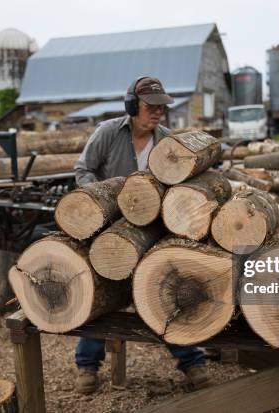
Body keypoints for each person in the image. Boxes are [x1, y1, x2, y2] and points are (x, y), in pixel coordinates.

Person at [73, 76, 210, 394]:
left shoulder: (166, 142)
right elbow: (83, 169)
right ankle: (87, 367)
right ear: (132, 105)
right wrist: (97, 202)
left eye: (162, 107)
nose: (158, 112)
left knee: (161, 289)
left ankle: (192, 362)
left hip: (150, 231)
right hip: (108, 227)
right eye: (152, 106)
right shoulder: (108, 132)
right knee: (99, 293)